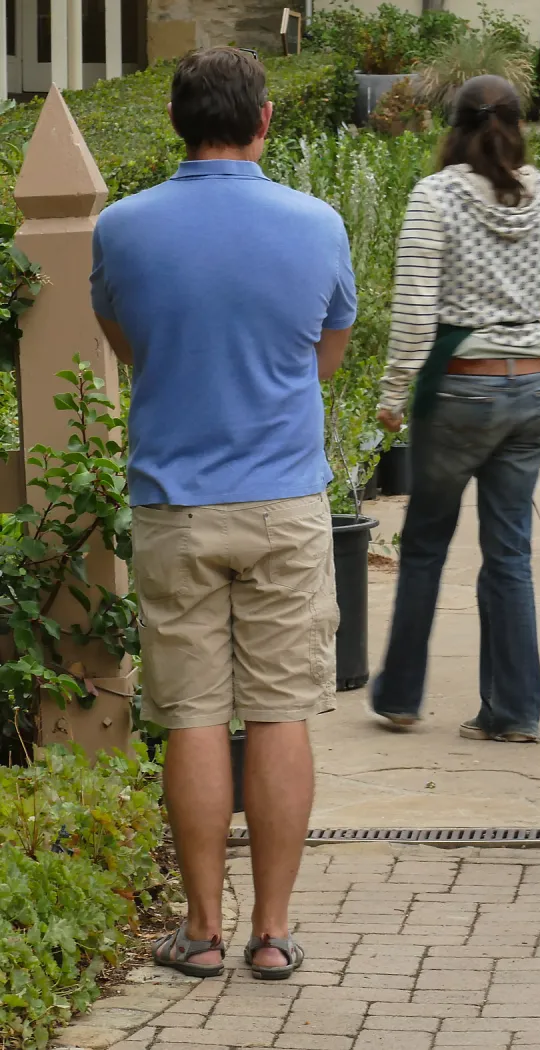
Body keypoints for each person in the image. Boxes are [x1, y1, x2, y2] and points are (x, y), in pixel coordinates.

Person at [89, 47, 356, 980]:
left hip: (174, 504)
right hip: (284, 497)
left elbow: (126, 345)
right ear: (265, 121)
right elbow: (328, 353)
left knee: (193, 716)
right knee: (281, 713)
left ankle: (200, 931)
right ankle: (273, 933)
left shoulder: (121, 227)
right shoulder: (318, 223)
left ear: (175, 121)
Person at [369, 76, 540, 737]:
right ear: (519, 125)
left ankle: (401, 697)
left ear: (454, 125)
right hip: (531, 390)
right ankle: (514, 710)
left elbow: (414, 310)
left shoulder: (434, 197)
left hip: (460, 388)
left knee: (426, 544)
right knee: (510, 552)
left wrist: (391, 394)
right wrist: (516, 289)